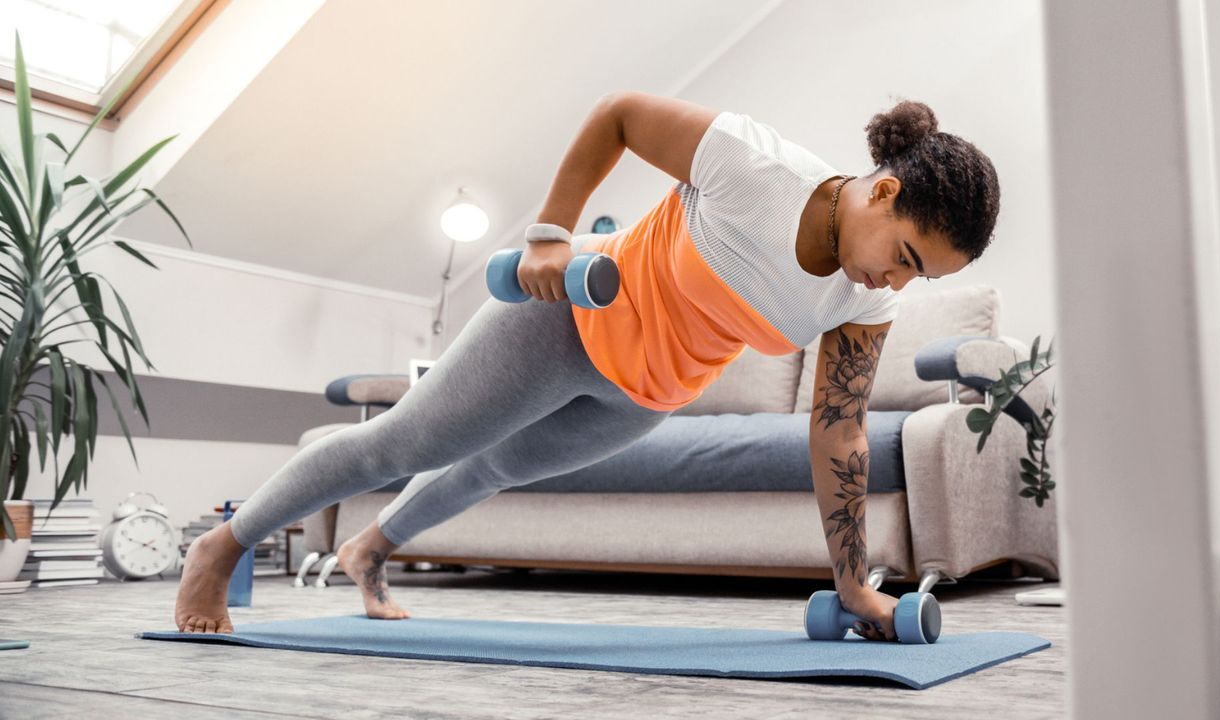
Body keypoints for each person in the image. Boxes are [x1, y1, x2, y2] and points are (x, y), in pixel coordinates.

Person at [174, 92, 999, 642]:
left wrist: (854, 588)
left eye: (917, 278)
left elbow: (840, 434)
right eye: (906, 260)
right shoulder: (756, 167)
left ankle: (369, 550)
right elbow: (620, 117)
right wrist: (548, 233)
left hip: (646, 395)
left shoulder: (864, 301)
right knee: (402, 446)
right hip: (567, 319)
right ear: (883, 193)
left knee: (492, 470)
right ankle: (221, 546)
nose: (896, 284)